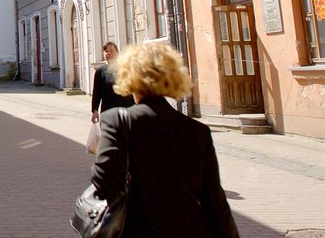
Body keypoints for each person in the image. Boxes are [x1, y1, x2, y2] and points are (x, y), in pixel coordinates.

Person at [91, 42, 239, 237]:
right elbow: (215, 201)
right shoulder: (198, 131)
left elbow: (105, 183)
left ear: (130, 76)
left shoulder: (118, 122)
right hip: (189, 230)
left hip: (137, 229)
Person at [91, 41, 135, 123]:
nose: (108, 53)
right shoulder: (100, 72)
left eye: (111, 51)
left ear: (117, 53)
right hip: (108, 112)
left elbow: (134, 90)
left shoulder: (126, 69)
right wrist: (95, 110)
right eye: (106, 51)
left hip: (126, 111)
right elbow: (97, 93)